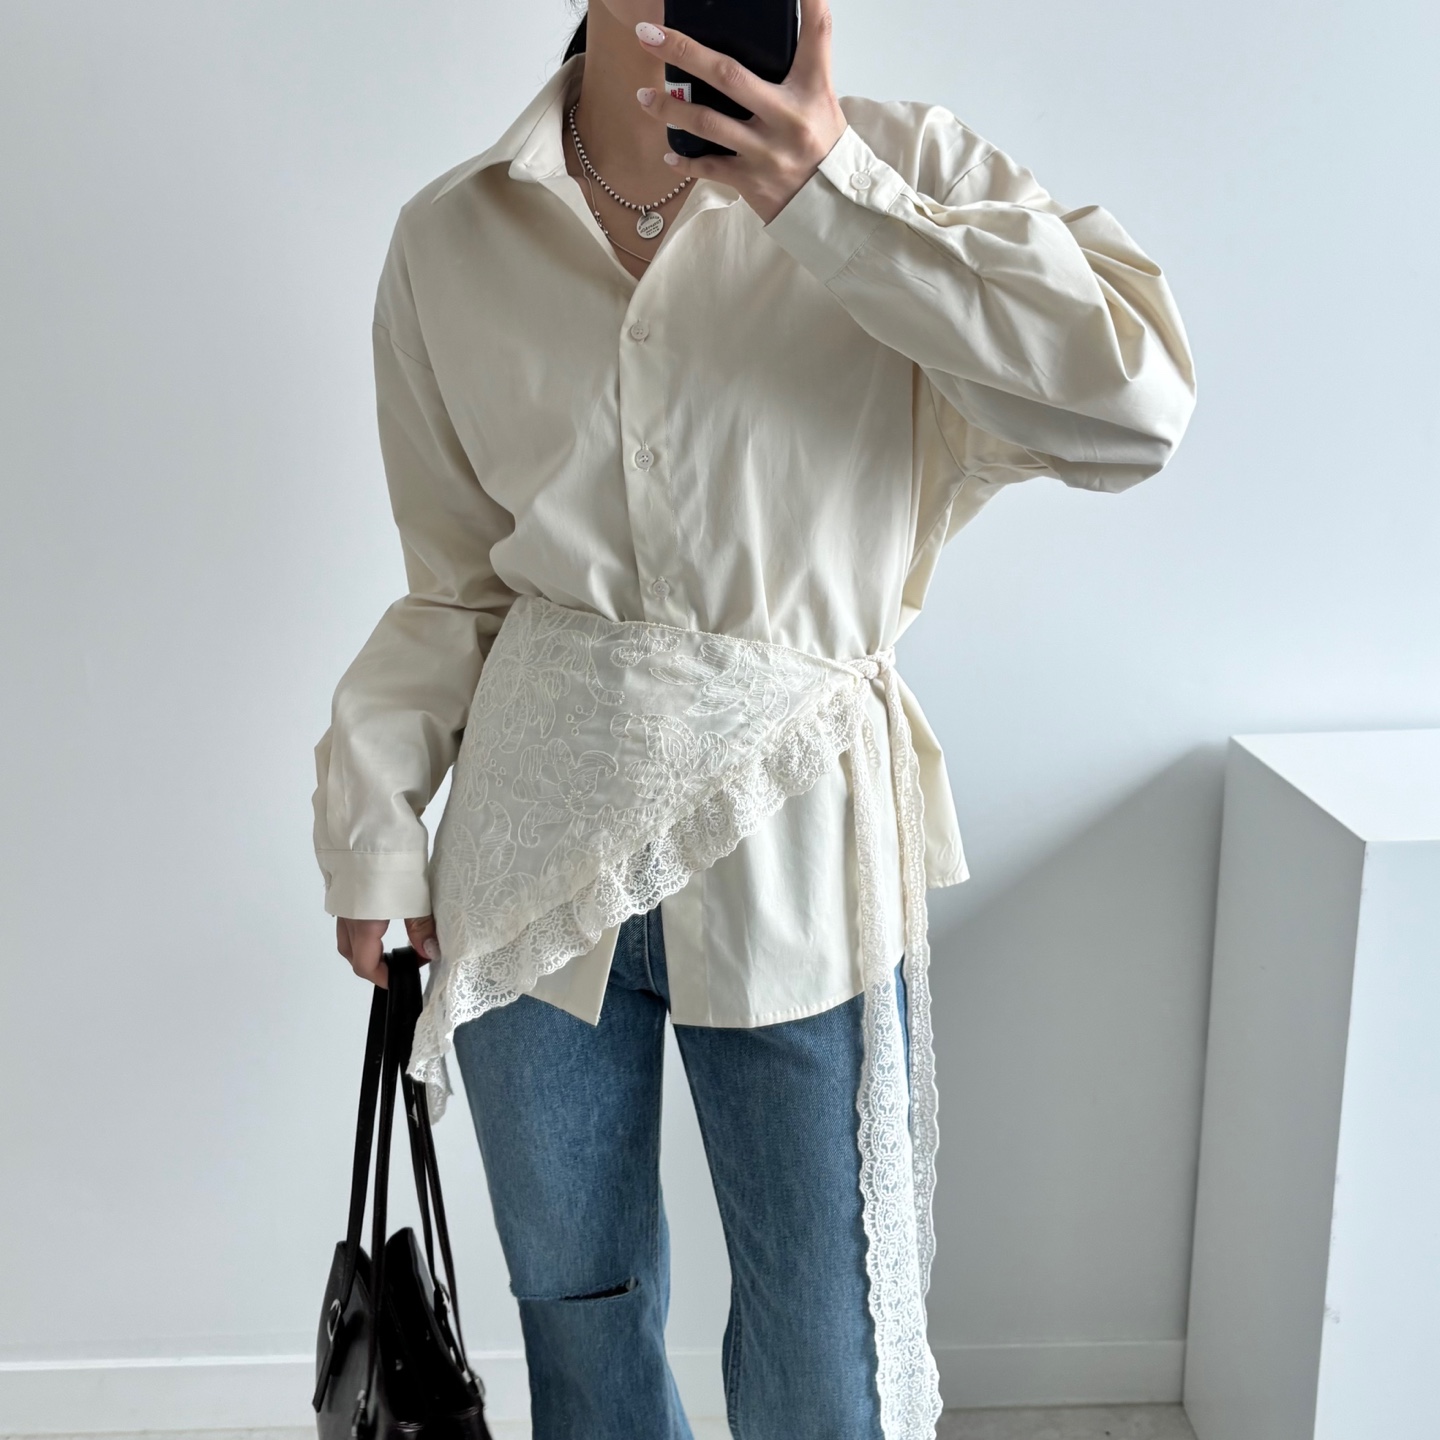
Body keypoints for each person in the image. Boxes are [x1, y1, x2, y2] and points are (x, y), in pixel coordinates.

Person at [311, 1, 1196, 1436]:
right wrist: (373, 819)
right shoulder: (452, 237)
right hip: (531, 869)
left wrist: (830, 196)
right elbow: (458, 590)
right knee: (583, 1341)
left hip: (800, 847)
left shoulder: (911, 169)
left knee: (824, 1365)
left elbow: (1133, 410)